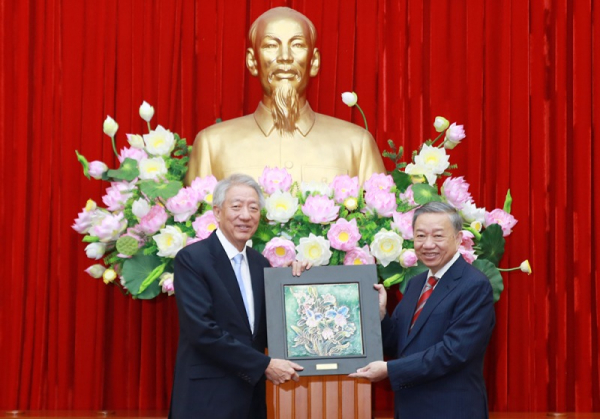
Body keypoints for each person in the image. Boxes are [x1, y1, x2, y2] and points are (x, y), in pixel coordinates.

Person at [184, 7, 385, 186]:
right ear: (252, 61)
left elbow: (378, 223)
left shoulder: (357, 145)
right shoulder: (213, 144)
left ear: (314, 62)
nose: (285, 57)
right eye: (271, 45)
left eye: (297, 45)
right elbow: (198, 223)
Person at [169, 174, 305, 419]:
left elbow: (269, 329)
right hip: (206, 399)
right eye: (236, 206)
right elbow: (202, 330)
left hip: (250, 399)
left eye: (253, 208)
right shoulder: (192, 259)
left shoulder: (260, 263)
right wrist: (264, 365)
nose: (245, 215)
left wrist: (299, 284)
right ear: (218, 212)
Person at [349, 202, 496, 419]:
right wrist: (380, 316)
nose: (428, 244)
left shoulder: (474, 285)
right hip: (409, 409)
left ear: (458, 238)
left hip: (452, 411)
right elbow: (399, 344)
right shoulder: (417, 283)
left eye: (438, 236)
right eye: (420, 236)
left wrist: (390, 370)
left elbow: (453, 352)